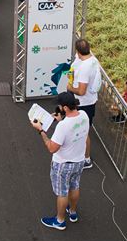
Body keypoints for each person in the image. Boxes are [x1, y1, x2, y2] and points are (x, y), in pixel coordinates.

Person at [31, 91, 89, 230]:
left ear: (65, 108)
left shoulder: (63, 126)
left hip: (63, 164)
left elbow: (52, 148)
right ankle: (73, 212)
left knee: (62, 193)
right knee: (74, 186)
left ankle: (59, 221)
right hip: (79, 160)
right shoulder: (84, 116)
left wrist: (41, 131)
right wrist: (61, 119)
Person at [61, 38, 101, 170]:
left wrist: (70, 87)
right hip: (86, 102)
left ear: (78, 51)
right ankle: (78, 153)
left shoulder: (85, 67)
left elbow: (81, 91)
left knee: (84, 132)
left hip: (84, 104)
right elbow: (74, 67)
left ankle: (86, 159)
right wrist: (72, 75)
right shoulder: (91, 59)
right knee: (78, 129)